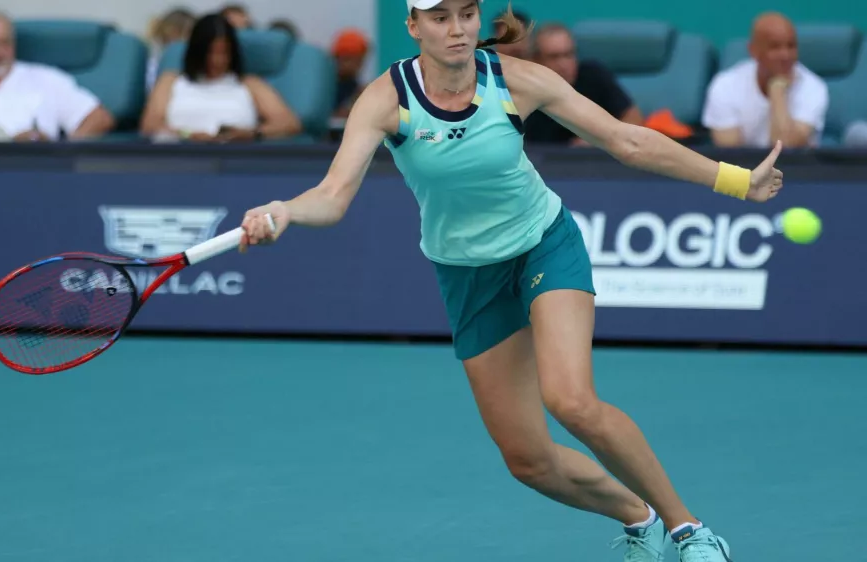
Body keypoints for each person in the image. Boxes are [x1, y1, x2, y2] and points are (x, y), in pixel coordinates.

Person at [238, 1, 782, 560]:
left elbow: (628, 141)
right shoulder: (386, 99)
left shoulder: (518, 81)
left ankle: (690, 531)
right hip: (468, 274)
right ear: (413, 26)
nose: (456, 29)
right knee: (528, 461)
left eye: (466, 13)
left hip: (543, 243)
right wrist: (286, 211)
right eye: (439, 16)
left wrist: (737, 181)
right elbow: (332, 197)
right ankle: (637, 517)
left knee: (570, 400)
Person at [0, 10, 114, 141]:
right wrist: (2, 145)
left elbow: (99, 118)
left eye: (6, 43)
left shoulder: (46, 79)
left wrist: (62, 151)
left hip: (40, 170)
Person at [140, 13, 301, 142]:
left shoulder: (250, 84)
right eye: (211, 52)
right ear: (197, 51)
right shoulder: (171, 81)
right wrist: (187, 134)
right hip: (178, 160)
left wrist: (251, 133)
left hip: (235, 162)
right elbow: (150, 125)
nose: (218, 60)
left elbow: (289, 123)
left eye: (224, 52)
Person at [702, 11, 828, 148]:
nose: (785, 55)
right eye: (775, 47)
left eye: (791, 46)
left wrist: (777, 92)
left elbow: (786, 150)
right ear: (753, 51)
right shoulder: (725, 85)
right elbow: (728, 151)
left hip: (796, 168)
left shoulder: (813, 87)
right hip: (743, 168)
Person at [525, 21, 644, 146]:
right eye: (554, 57)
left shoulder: (593, 76)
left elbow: (633, 119)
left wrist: (600, 141)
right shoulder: (526, 92)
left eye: (568, 55)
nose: (564, 65)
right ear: (536, 60)